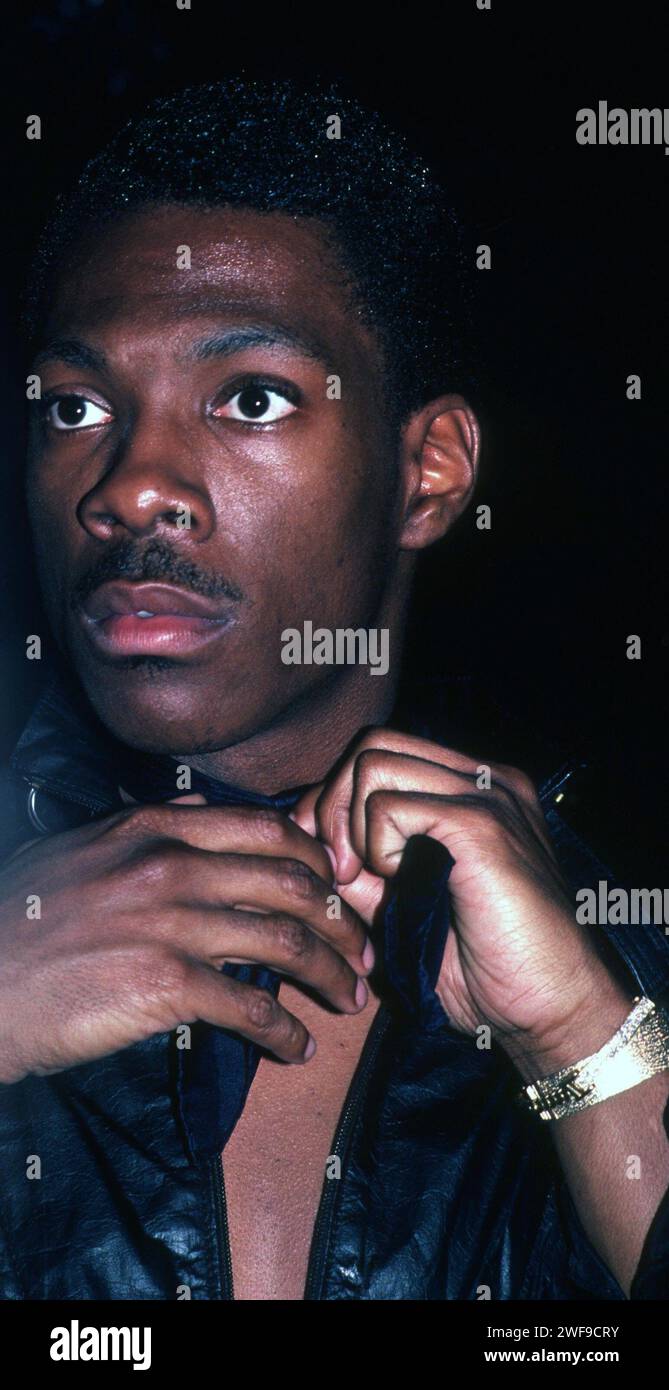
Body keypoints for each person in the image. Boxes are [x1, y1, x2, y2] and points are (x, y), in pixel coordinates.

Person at [0, 78, 667, 1302]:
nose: (130, 488)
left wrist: (588, 1044)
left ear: (427, 474)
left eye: (251, 398)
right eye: (77, 407)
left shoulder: (608, 934)